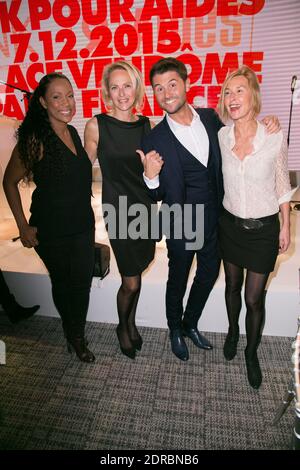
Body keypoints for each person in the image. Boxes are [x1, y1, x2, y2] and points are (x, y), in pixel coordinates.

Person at [139, 57, 279, 362]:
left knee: (208, 274)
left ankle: (190, 323)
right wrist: (150, 177)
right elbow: (158, 192)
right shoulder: (154, 137)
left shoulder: (211, 119)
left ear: (186, 85)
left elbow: (240, 135)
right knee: (177, 279)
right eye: (159, 88)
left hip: (217, 218)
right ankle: (175, 328)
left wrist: (270, 121)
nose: (166, 93)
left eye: (172, 84)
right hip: (181, 221)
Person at [3, 73, 95, 363]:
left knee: (81, 283)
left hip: (82, 223)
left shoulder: (73, 132)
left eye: (70, 95)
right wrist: (22, 226)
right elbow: (8, 182)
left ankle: (74, 332)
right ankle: (75, 337)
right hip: (51, 229)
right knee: (63, 283)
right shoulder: (35, 140)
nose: (66, 102)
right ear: (43, 102)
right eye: (57, 96)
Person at [217, 65, 293, 389]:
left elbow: (282, 184)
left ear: (253, 95)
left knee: (253, 299)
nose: (233, 98)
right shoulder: (221, 136)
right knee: (232, 287)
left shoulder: (272, 135)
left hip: (263, 230)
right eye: (227, 92)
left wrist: (286, 224)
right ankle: (233, 330)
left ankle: (251, 352)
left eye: (239, 90)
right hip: (230, 225)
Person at [84, 61, 157, 359]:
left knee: (138, 270)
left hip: (146, 207)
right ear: (107, 92)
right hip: (118, 210)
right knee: (131, 280)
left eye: (127, 85)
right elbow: (82, 167)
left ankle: (131, 322)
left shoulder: (145, 124)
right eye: (115, 87)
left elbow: (150, 169)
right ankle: (121, 327)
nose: (122, 93)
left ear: (136, 87)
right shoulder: (96, 124)